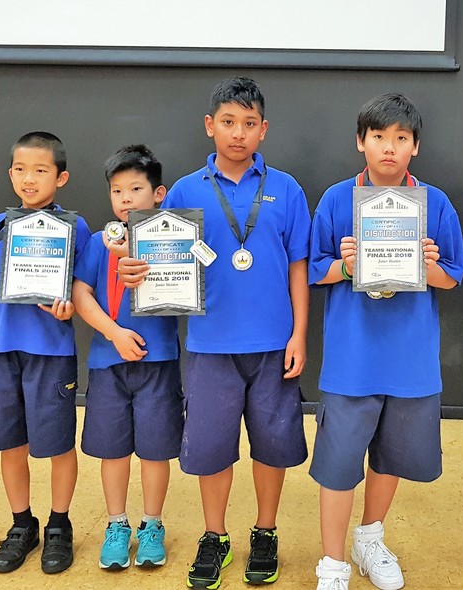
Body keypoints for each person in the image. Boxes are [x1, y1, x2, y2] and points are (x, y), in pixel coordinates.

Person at [118, 76, 310, 589]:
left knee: (273, 446)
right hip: (208, 345)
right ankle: (215, 535)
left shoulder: (286, 188)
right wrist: (137, 271)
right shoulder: (184, 190)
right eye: (228, 122)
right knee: (211, 447)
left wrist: (300, 335)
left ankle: (265, 531)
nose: (238, 133)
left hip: (273, 344)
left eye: (249, 124)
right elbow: (161, 260)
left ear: (264, 129)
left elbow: (298, 267)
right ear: (210, 127)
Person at [309, 93, 463, 590]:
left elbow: (453, 278)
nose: (389, 148)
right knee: (337, 465)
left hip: (410, 358)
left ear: (415, 146)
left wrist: (428, 263)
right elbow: (315, 270)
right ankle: (332, 563)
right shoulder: (337, 199)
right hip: (352, 360)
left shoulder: (434, 204)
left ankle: (369, 538)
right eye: (379, 137)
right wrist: (346, 265)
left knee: (391, 458)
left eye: (401, 138)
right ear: (361, 142)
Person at [0, 131, 92, 574]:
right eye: (20, 169)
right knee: (10, 442)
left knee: (56, 442)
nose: (29, 179)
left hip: (50, 352)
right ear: (10, 173)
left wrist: (67, 309)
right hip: (2, 349)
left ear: (61, 177)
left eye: (41, 170)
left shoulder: (75, 226)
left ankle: (58, 524)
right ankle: (21, 524)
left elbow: (79, 294)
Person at [72, 145, 184, 571]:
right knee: (113, 451)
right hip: (108, 361)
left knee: (156, 451)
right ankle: (117, 524)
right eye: (117, 190)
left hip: (159, 363)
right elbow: (81, 293)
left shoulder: (174, 239)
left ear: (158, 193)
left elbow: (189, 290)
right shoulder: (101, 242)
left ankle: (152, 524)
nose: (125, 198)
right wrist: (113, 333)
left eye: (136, 188)